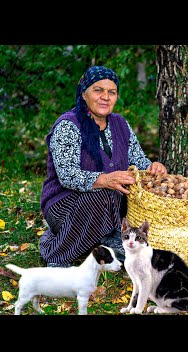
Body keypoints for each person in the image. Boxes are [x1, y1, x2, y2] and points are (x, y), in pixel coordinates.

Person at [39, 65, 167, 267]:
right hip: (65, 203)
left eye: (111, 92)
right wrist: (105, 180)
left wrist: (153, 167)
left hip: (111, 203)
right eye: (98, 90)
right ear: (84, 94)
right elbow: (67, 175)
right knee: (101, 193)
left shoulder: (120, 124)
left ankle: (110, 237)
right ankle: (57, 253)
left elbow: (139, 162)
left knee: (130, 197)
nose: (105, 97)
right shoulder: (68, 125)